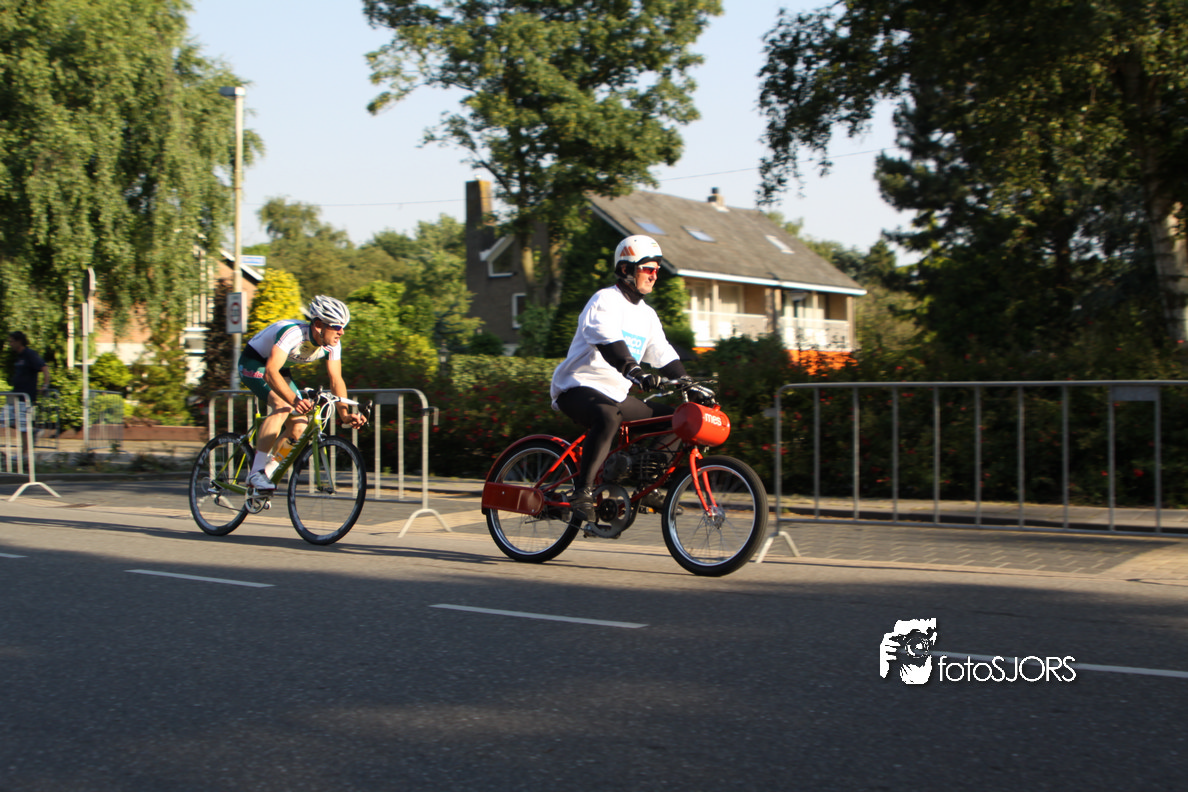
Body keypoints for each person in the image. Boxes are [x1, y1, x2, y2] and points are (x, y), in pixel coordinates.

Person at [549, 234, 688, 520]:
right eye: (647, 269)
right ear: (626, 269)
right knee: (608, 416)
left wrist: (688, 383)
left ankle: (648, 487)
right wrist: (633, 370)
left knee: (676, 420)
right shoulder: (605, 300)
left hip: (615, 395)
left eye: (657, 270)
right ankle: (582, 492)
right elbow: (607, 340)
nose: (654, 275)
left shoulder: (647, 315)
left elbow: (662, 352)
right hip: (577, 387)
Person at [237, 295, 367, 492]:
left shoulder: (332, 344)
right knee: (283, 406)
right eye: (336, 326)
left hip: (279, 369)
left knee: (300, 426)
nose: (341, 332)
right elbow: (270, 372)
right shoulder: (293, 334)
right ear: (318, 325)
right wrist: (294, 400)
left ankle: (267, 474)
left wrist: (344, 414)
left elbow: (336, 379)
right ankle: (256, 472)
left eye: (343, 327)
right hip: (255, 364)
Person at [6, 332, 51, 444]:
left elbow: (44, 367)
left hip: (25, 396)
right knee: (5, 419)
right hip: (15, 394)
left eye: (12, 341)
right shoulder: (19, 356)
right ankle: (34, 431)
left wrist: (45, 385)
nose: (10, 344)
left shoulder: (29, 354)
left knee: (23, 426)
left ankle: (26, 451)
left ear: (19, 341)